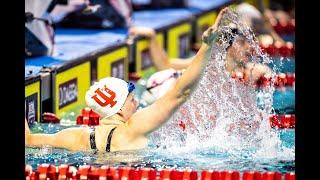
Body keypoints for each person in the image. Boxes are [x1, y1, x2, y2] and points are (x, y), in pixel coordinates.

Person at [25, 7, 230, 152]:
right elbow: (180, 93)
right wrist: (207, 46)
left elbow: (29, 140)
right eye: (132, 99)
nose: (137, 102)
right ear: (119, 108)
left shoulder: (73, 137)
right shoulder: (134, 128)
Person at [129, 23, 271, 104]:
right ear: (225, 45)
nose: (248, 47)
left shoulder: (252, 70)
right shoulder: (209, 63)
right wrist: (152, 36)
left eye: (248, 42)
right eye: (241, 42)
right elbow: (165, 66)